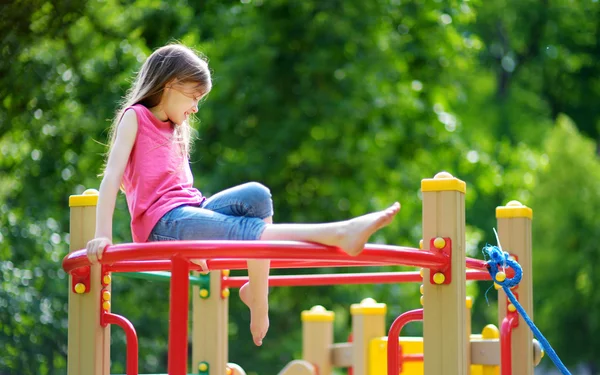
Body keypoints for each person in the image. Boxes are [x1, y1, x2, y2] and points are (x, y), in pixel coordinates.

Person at [86, 43, 401, 347]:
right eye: (194, 96)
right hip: (161, 224)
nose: (196, 107)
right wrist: (102, 235)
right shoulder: (135, 117)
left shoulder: (176, 128)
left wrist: (201, 232)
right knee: (243, 233)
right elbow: (112, 176)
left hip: (190, 210)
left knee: (257, 196)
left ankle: (257, 291)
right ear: (170, 84)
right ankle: (340, 232)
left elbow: (188, 198)